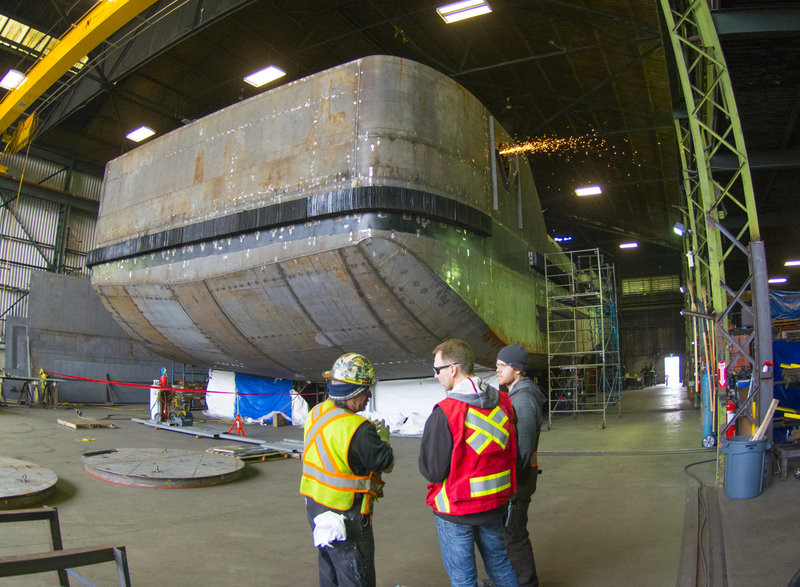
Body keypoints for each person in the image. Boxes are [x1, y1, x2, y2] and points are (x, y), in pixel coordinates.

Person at [419, 339, 519, 587]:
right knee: (501, 565)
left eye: (437, 370)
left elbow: (433, 470)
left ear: (452, 369)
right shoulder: (504, 403)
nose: (435, 376)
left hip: (456, 510)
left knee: (463, 579)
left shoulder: (446, 411)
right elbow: (512, 452)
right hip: (495, 504)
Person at [300, 352, 394, 587]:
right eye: (366, 390)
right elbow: (387, 464)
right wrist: (384, 440)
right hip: (347, 515)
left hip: (316, 508)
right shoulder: (359, 428)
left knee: (329, 569)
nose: (369, 395)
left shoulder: (316, 413)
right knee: (355, 576)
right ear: (354, 392)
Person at [495, 344, 547, 587]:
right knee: (510, 535)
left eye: (502, 366)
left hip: (519, 482)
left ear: (517, 370)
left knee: (514, 536)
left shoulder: (523, 400)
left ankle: (526, 583)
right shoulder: (516, 395)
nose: (497, 370)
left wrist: (508, 487)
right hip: (518, 481)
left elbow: (523, 451)